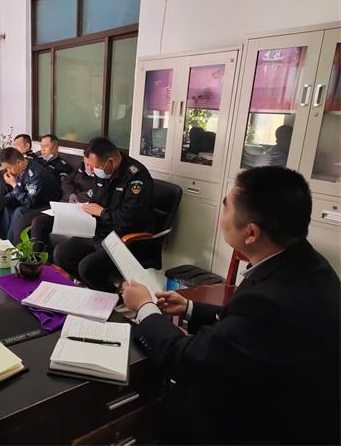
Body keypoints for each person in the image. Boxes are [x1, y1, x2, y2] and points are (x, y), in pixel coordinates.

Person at [122, 166, 340, 445]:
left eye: (225, 206)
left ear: (251, 233)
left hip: (269, 424)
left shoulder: (268, 301)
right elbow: (251, 331)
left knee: (156, 406)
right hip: (296, 401)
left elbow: (188, 360)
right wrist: (189, 308)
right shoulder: (309, 265)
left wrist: (144, 307)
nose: (221, 214)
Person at [53, 137, 154, 292]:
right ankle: (96, 289)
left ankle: (114, 297)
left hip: (123, 239)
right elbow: (97, 200)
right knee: (61, 254)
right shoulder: (104, 172)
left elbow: (128, 219)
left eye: (96, 167)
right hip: (100, 232)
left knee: (87, 267)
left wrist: (101, 212)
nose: (93, 171)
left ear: (110, 162)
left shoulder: (137, 178)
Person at [28, 151, 97, 255]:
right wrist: (71, 193)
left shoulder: (102, 178)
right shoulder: (81, 167)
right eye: (87, 164)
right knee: (37, 221)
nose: (89, 168)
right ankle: (35, 258)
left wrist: (78, 196)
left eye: (93, 166)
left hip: (82, 212)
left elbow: (93, 194)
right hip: (66, 205)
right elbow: (66, 181)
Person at [0, 147, 60, 244]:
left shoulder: (36, 174)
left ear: (19, 162)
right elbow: (17, 192)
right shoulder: (22, 168)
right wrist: (0, 201)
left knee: (20, 211)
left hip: (47, 205)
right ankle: (4, 240)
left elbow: (29, 202)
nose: (8, 172)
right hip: (34, 201)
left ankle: (12, 244)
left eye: (9, 168)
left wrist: (13, 184)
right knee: (8, 205)